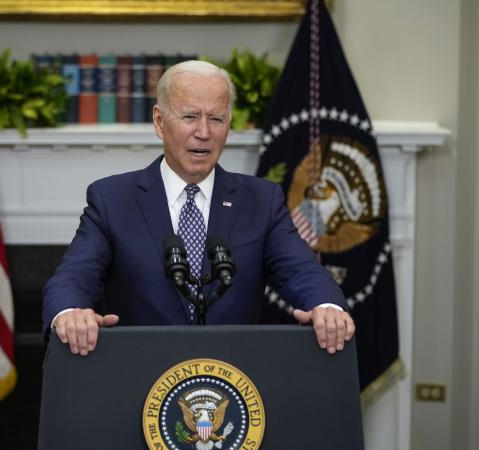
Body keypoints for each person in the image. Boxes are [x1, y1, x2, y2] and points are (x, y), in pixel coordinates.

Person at [42, 60, 354, 356]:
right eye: (190, 117)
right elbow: (73, 275)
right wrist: (70, 313)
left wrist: (327, 307)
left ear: (228, 125)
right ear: (160, 122)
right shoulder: (113, 199)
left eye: (216, 119)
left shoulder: (262, 200)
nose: (204, 132)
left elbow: (300, 270)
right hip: (139, 377)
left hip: (233, 379)